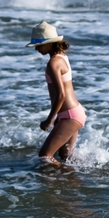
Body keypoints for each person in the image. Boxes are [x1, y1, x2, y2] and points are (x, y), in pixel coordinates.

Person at [28, 21, 85, 164]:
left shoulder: (53, 63)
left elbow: (61, 95)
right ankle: (73, 180)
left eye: (38, 45)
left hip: (70, 116)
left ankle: (70, 177)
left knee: (45, 156)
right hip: (72, 112)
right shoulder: (62, 56)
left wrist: (50, 120)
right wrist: (59, 117)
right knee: (66, 156)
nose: (36, 48)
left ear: (50, 43)